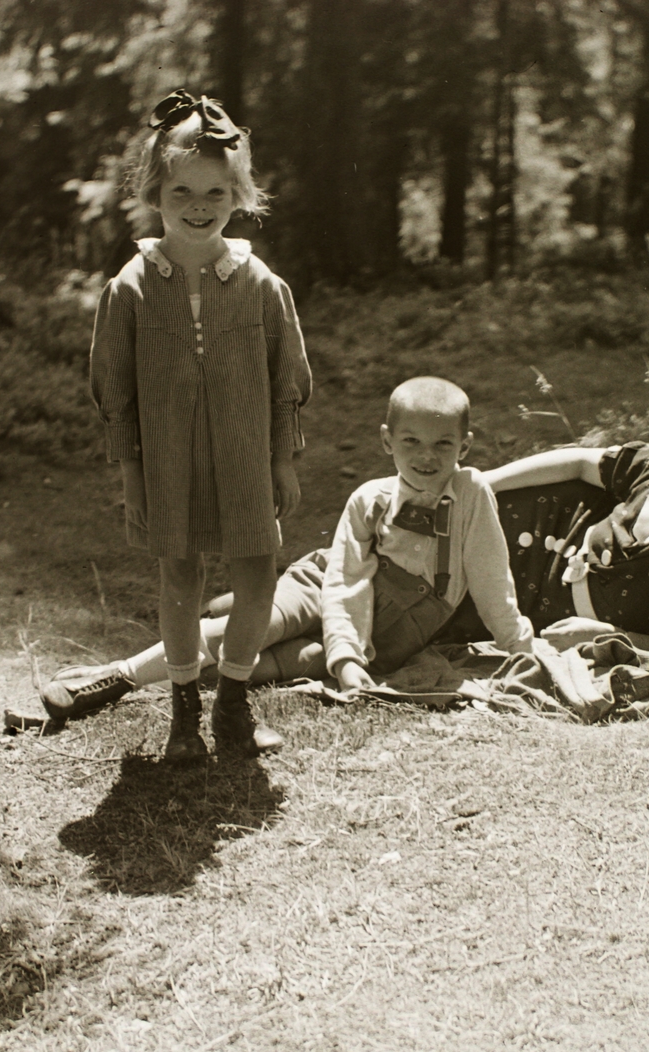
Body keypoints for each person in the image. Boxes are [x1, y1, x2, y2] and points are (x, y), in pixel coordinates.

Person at [60, 90, 312, 761]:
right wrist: (133, 477)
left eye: (214, 192)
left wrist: (281, 460)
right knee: (180, 575)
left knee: (257, 574)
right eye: (182, 192)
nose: (199, 206)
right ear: (155, 192)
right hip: (169, 460)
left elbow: (285, 381)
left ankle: (232, 705)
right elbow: (117, 394)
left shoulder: (260, 284)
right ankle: (183, 713)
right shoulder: (132, 288)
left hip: (244, 456)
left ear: (238, 194)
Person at [44, 377, 533, 717]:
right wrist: (347, 655)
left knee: (275, 666)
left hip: (392, 631)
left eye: (443, 444)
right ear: (387, 441)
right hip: (326, 584)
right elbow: (345, 581)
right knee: (251, 628)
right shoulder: (370, 499)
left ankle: (166, 690)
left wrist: (519, 647)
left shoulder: (471, 494)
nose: (426, 457)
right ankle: (118, 677)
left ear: (464, 447)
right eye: (411, 441)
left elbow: (492, 576)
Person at [461, 377, 649, 693]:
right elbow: (580, 463)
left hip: (532, 605)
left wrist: (613, 637)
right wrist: (483, 482)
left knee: (444, 603)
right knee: (445, 522)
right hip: (534, 528)